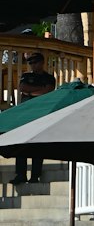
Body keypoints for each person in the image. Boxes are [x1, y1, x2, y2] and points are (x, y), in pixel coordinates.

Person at [13, 50, 56, 184]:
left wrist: (30, 92)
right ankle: (20, 174)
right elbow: (22, 87)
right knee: (21, 145)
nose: (33, 65)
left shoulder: (49, 78)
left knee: (37, 146)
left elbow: (47, 91)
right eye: (30, 63)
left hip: (41, 114)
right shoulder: (26, 76)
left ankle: (35, 175)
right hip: (25, 114)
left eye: (35, 62)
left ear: (42, 63)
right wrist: (38, 91)